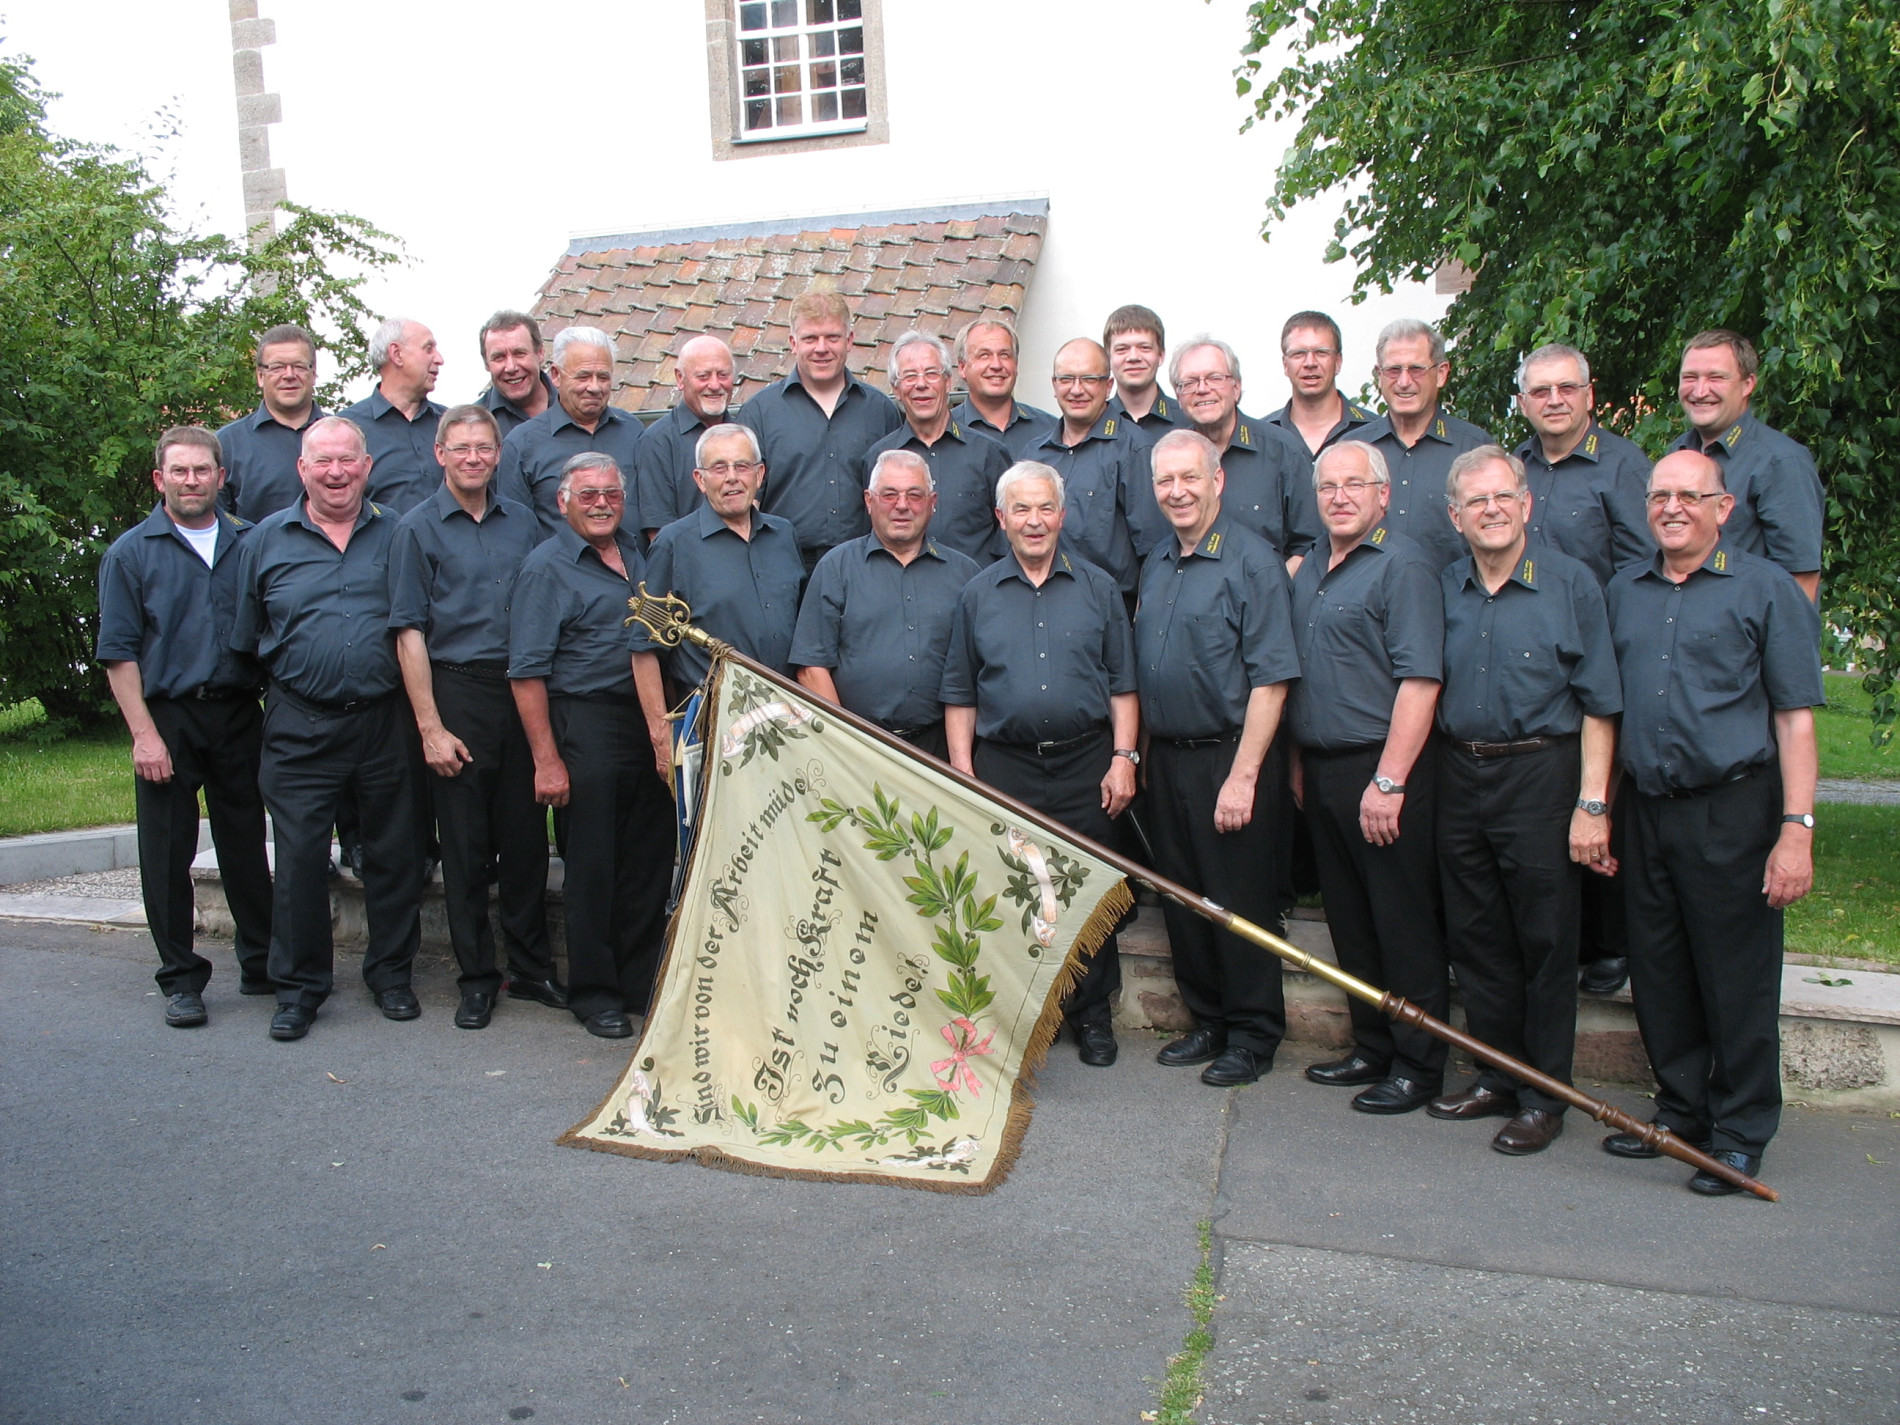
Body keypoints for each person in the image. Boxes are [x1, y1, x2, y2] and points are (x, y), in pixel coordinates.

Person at [1602, 448, 1822, 1194]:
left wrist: (1796, 829)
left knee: (1736, 978)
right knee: (1659, 972)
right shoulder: (1624, 589)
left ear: (1723, 509)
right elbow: (1610, 712)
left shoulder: (1765, 588)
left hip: (1732, 808)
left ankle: (1740, 1131)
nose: (1672, 508)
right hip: (1647, 808)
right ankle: (1682, 1113)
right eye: (1660, 495)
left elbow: (1794, 719)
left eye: (1690, 496)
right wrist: (1601, 809)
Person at [1430, 446, 1622, 1155]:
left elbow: (1600, 704)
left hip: (1542, 775)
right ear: (1455, 515)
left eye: (1502, 496)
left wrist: (1592, 804)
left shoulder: (1571, 584)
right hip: (1459, 773)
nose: (1491, 510)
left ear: (1526, 503)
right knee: (1477, 939)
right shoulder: (1443, 586)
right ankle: (1496, 1076)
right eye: (1475, 501)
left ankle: (1545, 1096)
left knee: (1545, 941)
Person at [230, 416, 424, 1042]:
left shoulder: (399, 533)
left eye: (347, 460)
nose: (336, 472)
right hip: (300, 724)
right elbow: (246, 637)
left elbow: (415, 625)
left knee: (394, 854)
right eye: (323, 461)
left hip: (384, 721)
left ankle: (391, 976)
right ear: (302, 469)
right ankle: (298, 989)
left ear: (366, 467)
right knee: (299, 861)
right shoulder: (264, 540)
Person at [941, 462, 1138, 1067]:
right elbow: (961, 691)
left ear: (1062, 515)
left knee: (1090, 893)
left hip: (1087, 765)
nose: (1034, 521)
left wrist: (1123, 758)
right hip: (1007, 769)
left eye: (1045, 508)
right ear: (1001, 519)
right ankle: (1023, 1022)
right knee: (1013, 897)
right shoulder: (977, 594)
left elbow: (1123, 685)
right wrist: (963, 772)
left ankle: (1092, 1015)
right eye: (1021, 509)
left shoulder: (1100, 588)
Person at [1135, 430, 1300, 1087]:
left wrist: (1244, 775)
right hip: (1169, 759)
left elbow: (1272, 679)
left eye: (1189, 478)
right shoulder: (1156, 561)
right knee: (1184, 898)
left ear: (1217, 481)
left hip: (1230, 756)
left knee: (1240, 902)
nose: (1177, 491)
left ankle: (1253, 1033)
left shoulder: (1252, 562)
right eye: (1165, 480)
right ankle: (1207, 1019)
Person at [388, 405, 560, 1032]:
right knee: (464, 847)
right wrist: (430, 728)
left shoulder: (525, 522)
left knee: (525, 841)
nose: (472, 458)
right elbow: (408, 632)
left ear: (497, 455)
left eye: (483, 448)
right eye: (460, 448)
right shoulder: (415, 529)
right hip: (456, 691)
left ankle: (531, 969)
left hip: (521, 691)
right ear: (440, 454)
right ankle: (477, 979)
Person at [1289, 440, 1449, 1114]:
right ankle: (1372, 1045)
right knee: (1351, 921)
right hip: (1323, 768)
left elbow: (1421, 680)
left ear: (1384, 495)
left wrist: (1389, 781)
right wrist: (1299, 765)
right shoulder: (1309, 568)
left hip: (1383, 769)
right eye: (1328, 486)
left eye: (1355, 484)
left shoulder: (1403, 565)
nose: (1340, 497)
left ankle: (1419, 1064)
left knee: (1401, 921)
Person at [97, 426, 272, 1028]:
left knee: (246, 844)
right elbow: (119, 655)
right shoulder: (130, 554)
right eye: (179, 471)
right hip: (167, 717)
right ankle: (180, 978)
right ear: (159, 479)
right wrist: (144, 736)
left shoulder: (251, 542)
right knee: (167, 853)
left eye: (202, 470)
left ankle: (261, 962)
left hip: (238, 713)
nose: (191, 481)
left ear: (221, 477)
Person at [508, 454, 673, 1038]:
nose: (602, 503)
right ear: (562, 502)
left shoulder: (639, 554)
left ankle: (637, 981)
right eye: (588, 495)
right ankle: (595, 993)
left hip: (648, 719)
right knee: (594, 866)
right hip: (586, 721)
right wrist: (547, 760)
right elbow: (526, 674)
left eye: (611, 493)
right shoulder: (545, 568)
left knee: (647, 861)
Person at [1512, 341, 1653, 997]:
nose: (1554, 401)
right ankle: (1558, 940)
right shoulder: (1514, 468)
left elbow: (1641, 569)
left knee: (1601, 799)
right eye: (1540, 391)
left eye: (1566, 388)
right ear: (1523, 402)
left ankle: (1609, 942)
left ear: (1589, 395)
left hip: (1600, 657)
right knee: (1548, 809)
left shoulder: (1622, 466)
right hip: (1529, 662)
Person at [792, 448, 981, 759]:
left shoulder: (965, 575)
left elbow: (977, 672)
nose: (902, 505)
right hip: (857, 748)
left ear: (932, 502)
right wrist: (849, 745)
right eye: (889, 494)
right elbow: (811, 669)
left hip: (940, 751)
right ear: (869, 500)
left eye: (914, 495)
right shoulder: (836, 568)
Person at [633, 423, 807, 705]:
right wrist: (660, 729)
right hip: (713, 714)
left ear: (759, 474)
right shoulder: (673, 545)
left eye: (742, 466)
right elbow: (646, 649)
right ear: (700, 480)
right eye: (719, 468)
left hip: (787, 708)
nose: (732, 478)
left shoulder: (784, 535)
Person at [739, 289, 902, 571]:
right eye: (810, 338)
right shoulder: (759, 414)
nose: (821, 348)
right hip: (783, 566)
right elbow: (746, 503)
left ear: (849, 340)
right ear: (793, 343)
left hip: (867, 565)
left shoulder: (881, 411)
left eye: (832, 337)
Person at [1669, 329, 1825, 603]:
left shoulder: (1779, 461)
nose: (1700, 391)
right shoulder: (1678, 452)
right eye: (1690, 377)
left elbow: (1801, 580)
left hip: (1745, 626)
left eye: (1716, 377)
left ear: (1748, 384)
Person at [1170, 336, 1321, 573]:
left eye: (1214, 378)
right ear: (1178, 396)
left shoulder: (1282, 451)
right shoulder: (1170, 459)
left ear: (1236, 387)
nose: (1202, 389)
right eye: (1189, 382)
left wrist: (1271, 587)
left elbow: (1311, 544)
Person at [1356, 318, 1493, 570]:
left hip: (1450, 593)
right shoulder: (1353, 449)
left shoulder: (1475, 449)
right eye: (1393, 370)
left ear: (1441, 373)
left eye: (1416, 369)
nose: (1404, 381)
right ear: (1379, 375)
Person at [861, 331, 1009, 563]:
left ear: (948, 382)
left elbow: (1008, 537)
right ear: (896, 389)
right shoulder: (878, 459)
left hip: (971, 584)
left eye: (931, 374)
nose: (921, 384)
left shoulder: (988, 454)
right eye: (910, 376)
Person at [497, 325, 646, 542]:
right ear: (556, 375)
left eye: (603, 377)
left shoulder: (633, 431)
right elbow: (514, 534)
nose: (594, 387)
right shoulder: (522, 444)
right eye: (583, 377)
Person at [1027, 339, 1152, 594]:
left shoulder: (1135, 450)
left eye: (1089, 379)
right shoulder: (1034, 455)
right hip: (1040, 602)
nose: (1076, 390)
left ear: (1108, 386)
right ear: (1054, 385)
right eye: (1066, 379)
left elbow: (1153, 548)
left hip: (1109, 605)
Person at [217, 324, 328, 523]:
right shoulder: (228, 444)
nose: (289, 375)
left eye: (299, 366)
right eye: (277, 367)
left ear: (313, 374)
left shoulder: (345, 438)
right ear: (260, 376)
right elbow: (216, 524)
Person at [339, 317, 446, 514]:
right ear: (397, 354)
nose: (439, 359)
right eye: (428, 348)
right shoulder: (346, 429)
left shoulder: (450, 424)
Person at [634, 334, 737, 536]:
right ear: (680, 379)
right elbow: (659, 534)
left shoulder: (745, 435)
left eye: (723, 375)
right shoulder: (658, 442)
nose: (715, 385)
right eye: (703, 376)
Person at [1263, 311, 1375, 458]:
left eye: (1321, 352)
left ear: (1338, 362)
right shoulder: (1262, 436)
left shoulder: (1374, 432)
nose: (1310, 363)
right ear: (1285, 365)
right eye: (1299, 353)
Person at [950, 317, 1054, 460]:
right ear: (962, 367)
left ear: (1016, 364)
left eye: (1004, 355)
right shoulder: (944, 433)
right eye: (984, 355)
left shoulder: (1051, 431)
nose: (996, 365)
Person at [1103, 304, 1186, 437]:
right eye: (1122, 349)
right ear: (1108, 358)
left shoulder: (1188, 421)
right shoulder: (1094, 423)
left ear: (1161, 355)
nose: (1133, 357)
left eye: (1144, 347)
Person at [475, 310, 554, 437]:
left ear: (540, 353)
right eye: (499, 357)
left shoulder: (574, 405)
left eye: (519, 354)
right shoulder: (475, 424)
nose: (511, 367)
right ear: (486, 364)